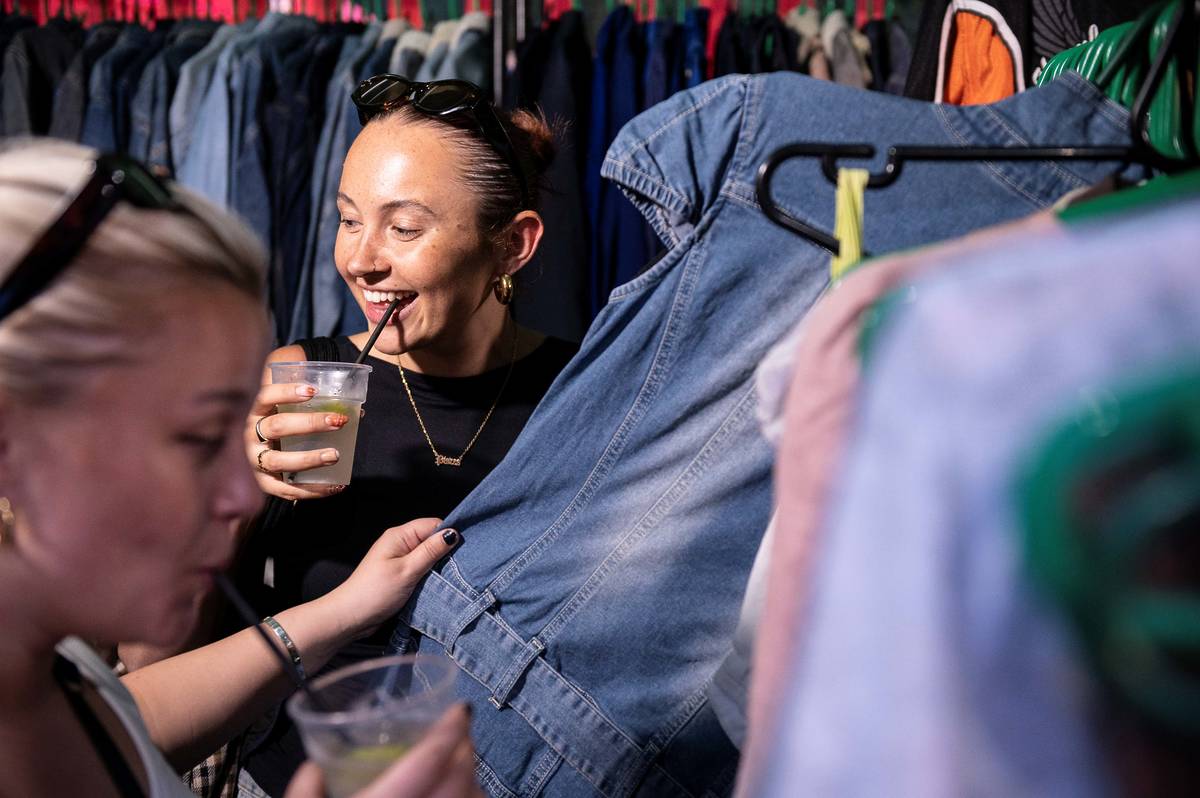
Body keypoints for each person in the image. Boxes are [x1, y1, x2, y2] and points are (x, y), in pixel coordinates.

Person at [0, 139, 480, 798]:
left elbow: (135, 721)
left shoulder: (57, 686)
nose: (242, 492)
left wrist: (349, 607)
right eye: (199, 437)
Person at [239, 76, 578, 793]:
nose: (361, 258)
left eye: (403, 227)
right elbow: (173, 650)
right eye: (349, 219)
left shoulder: (579, 393)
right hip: (308, 776)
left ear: (513, 244)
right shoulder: (301, 377)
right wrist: (231, 494)